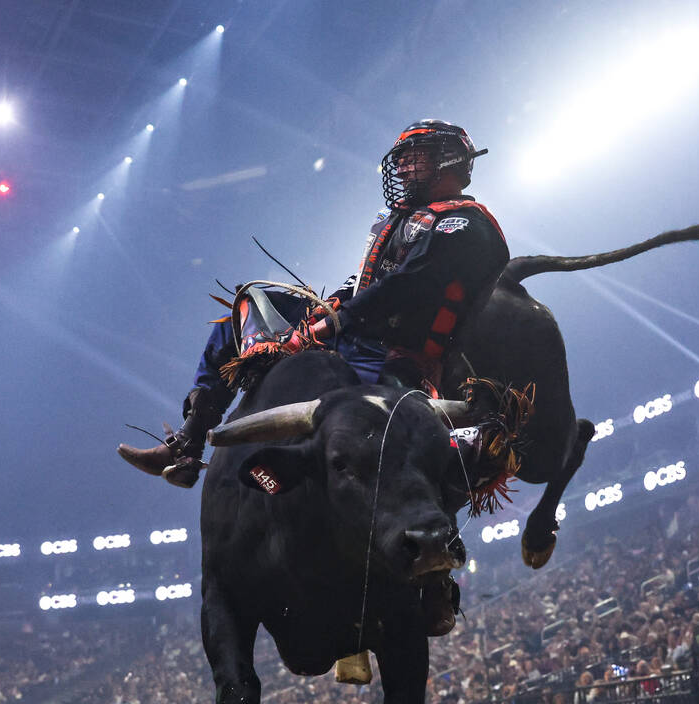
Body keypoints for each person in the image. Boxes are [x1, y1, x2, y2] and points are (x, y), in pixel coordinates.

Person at [118, 119, 508, 489]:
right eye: (401, 159)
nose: (403, 168)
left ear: (449, 158)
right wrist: (326, 311)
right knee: (247, 305)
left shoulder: (466, 223)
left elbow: (406, 286)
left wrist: (324, 327)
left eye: (413, 156)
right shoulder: (398, 220)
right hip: (353, 333)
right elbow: (363, 283)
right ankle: (188, 444)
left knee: (367, 433)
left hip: (397, 355)